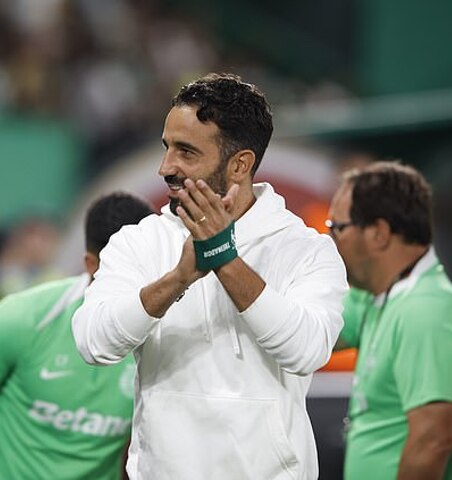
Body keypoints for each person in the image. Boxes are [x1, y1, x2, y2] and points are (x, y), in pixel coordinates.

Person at [72, 73, 348, 479]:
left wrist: (223, 259)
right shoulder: (139, 242)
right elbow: (94, 343)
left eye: (186, 152)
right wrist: (178, 278)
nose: (166, 167)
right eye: (166, 147)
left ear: (240, 164)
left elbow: (306, 350)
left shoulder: (306, 249)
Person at [0, 192, 155, 479]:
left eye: (143, 269)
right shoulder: (25, 318)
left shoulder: (164, 338)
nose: (136, 283)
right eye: (122, 270)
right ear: (91, 265)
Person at [327, 161, 452, 479]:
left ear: (379, 234)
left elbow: (432, 442)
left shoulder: (425, 311)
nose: (331, 241)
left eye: (337, 228)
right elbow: (312, 332)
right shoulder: (376, 296)